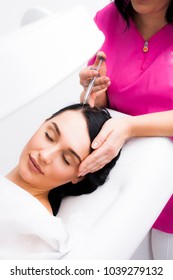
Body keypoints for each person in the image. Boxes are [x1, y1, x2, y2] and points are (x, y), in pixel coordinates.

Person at [79, 0, 173, 259]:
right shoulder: (108, 18)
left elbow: (125, 123)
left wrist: (130, 127)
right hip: (123, 185)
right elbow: (103, 105)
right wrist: (95, 93)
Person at [0, 103, 120, 259]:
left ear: (79, 176)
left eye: (66, 159)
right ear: (43, 123)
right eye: (49, 136)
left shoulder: (39, 230)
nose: (45, 156)